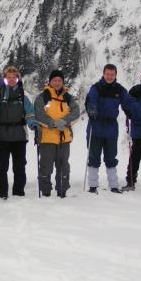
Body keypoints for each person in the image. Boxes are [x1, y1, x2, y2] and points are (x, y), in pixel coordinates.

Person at [85, 64, 141, 194]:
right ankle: (92, 186)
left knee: (111, 157)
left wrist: (140, 112)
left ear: (115, 75)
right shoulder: (96, 88)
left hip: (111, 128)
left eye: (112, 74)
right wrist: (91, 109)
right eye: (107, 74)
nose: (109, 76)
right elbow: (91, 99)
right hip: (96, 125)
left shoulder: (119, 90)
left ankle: (113, 185)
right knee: (94, 157)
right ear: (103, 74)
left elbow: (129, 102)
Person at [0, 66, 37, 199]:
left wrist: (33, 125)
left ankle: (18, 192)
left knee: (19, 166)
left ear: (18, 79)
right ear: (4, 79)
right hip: (2, 136)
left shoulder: (24, 95)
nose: (11, 80)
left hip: (19, 135)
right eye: (8, 77)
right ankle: (1, 193)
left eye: (14, 77)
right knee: (2, 166)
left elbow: (30, 113)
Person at [34, 69, 80, 197]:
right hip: (47, 138)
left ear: (63, 82)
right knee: (46, 166)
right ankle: (46, 191)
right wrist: (53, 123)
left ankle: (62, 190)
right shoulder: (42, 97)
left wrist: (64, 121)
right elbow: (39, 115)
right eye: (54, 80)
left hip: (64, 138)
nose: (57, 82)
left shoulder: (68, 97)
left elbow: (76, 112)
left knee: (63, 167)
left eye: (60, 80)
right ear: (50, 82)